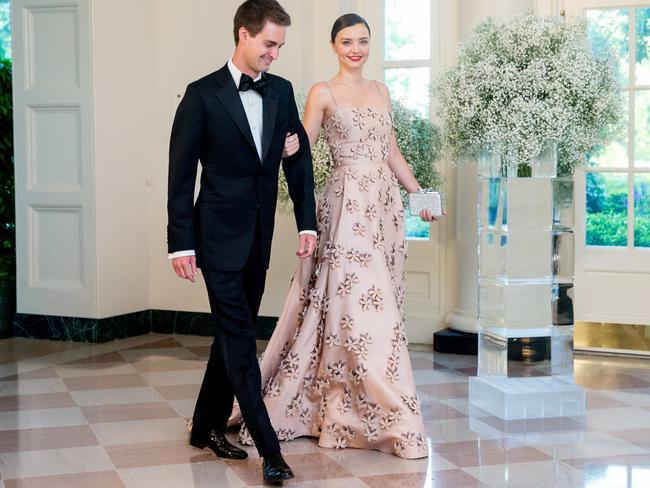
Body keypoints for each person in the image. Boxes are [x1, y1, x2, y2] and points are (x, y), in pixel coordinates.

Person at [229, 13, 442, 459]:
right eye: (347, 41)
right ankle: (387, 418)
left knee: (381, 307)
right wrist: (284, 146)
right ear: (334, 45)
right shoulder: (322, 92)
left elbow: (392, 152)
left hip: (384, 209)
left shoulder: (381, 91)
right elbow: (302, 145)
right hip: (346, 208)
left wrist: (420, 196)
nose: (356, 49)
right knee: (359, 307)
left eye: (363, 41)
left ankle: (365, 411)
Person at [166, 0, 317, 482]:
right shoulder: (201, 95)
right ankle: (271, 451)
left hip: (259, 238)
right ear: (243, 35)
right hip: (215, 239)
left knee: (231, 336)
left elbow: (297, 160)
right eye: (270, 44)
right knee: (241, 341)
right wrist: (180, 242)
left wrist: (307, 223)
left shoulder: (281, 92)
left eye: (280, 46)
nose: (275, 54)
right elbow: (180, 175)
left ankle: (205, 425)